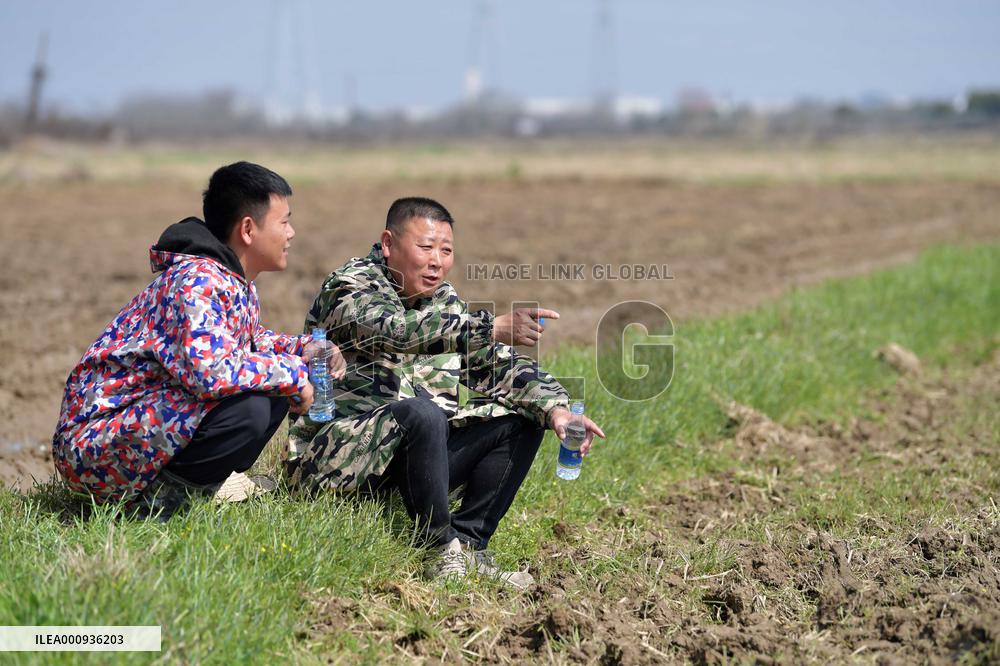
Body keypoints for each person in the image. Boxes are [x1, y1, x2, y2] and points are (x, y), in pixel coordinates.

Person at [287, 196, 605, 588]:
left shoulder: (443, 302)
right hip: (338, 460)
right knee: (421, 412)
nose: (437, 260)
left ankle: (469, 546)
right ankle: (438, 549)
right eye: (425, 248)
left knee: (521, 420)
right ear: (389, 244)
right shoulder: (350, 287)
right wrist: (487, 326)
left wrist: (557, 410)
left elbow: (494, 365)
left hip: (410, 463)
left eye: (446, 250)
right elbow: (397, 331)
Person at [52, 161, 344, 518]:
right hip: (94, 445)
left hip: (133, 428)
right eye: (284, 222)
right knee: (249, 406)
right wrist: (296, 375)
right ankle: (152, 505)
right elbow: (211, 372)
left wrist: (305, 350)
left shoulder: (231, 280)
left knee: (267, 387)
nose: (292, 233)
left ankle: (194, 488)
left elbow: (246, 345)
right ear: (249, 229)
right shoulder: (197, 281)